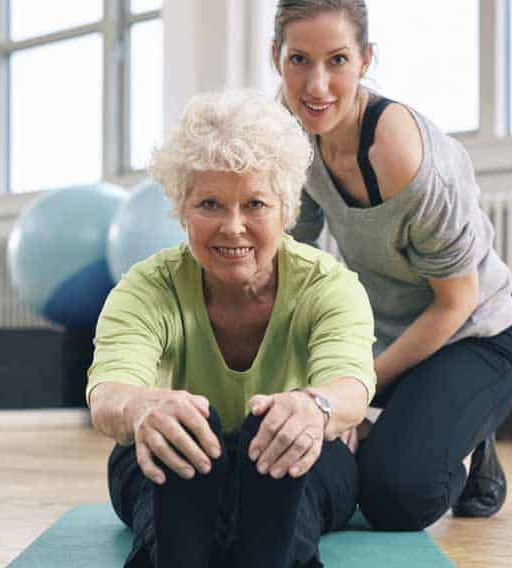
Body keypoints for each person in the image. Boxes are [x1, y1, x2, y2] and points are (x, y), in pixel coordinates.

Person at [272, 0, 512, 530]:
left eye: (336, 60)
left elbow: (456, 302)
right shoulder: (290, 127)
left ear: (365, 60)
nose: (316, 86)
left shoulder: (400, 153)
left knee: (397, 498)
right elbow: (293, 246)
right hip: (375, 335)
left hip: (470, 337)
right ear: (276, 58)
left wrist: (355, 387)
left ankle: (474, 449)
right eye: (299, 60)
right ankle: (400, 427)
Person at [87, 89, 376, 568]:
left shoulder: (328, 286)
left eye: (255, 204)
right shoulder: (145, 287)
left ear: (286, 210)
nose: (233, 227)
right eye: (210, 204)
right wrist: (142, 408)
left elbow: (350, 383)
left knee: (291, 476)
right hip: (172, 451)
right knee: (177, 443)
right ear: (182, 209)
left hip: (295, 449)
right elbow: (107, 392)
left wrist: (314, 408)